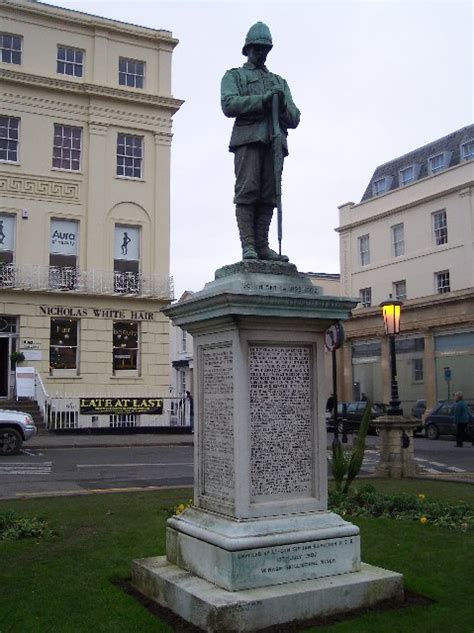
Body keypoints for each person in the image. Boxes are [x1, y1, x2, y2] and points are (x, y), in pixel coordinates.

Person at [221, 22, 300, 262]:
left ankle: (263, 246)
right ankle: (249, 246)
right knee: (248, 191)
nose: (261, 52)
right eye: (256, 48)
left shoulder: (279, 82)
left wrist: (281, 103)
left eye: (265, 48)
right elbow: (229, 104)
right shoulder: (235, 76)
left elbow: (295, 118)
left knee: (270, 194)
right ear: (247, 49)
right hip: (248, 140)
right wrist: (263, 101)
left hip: (274, 143)